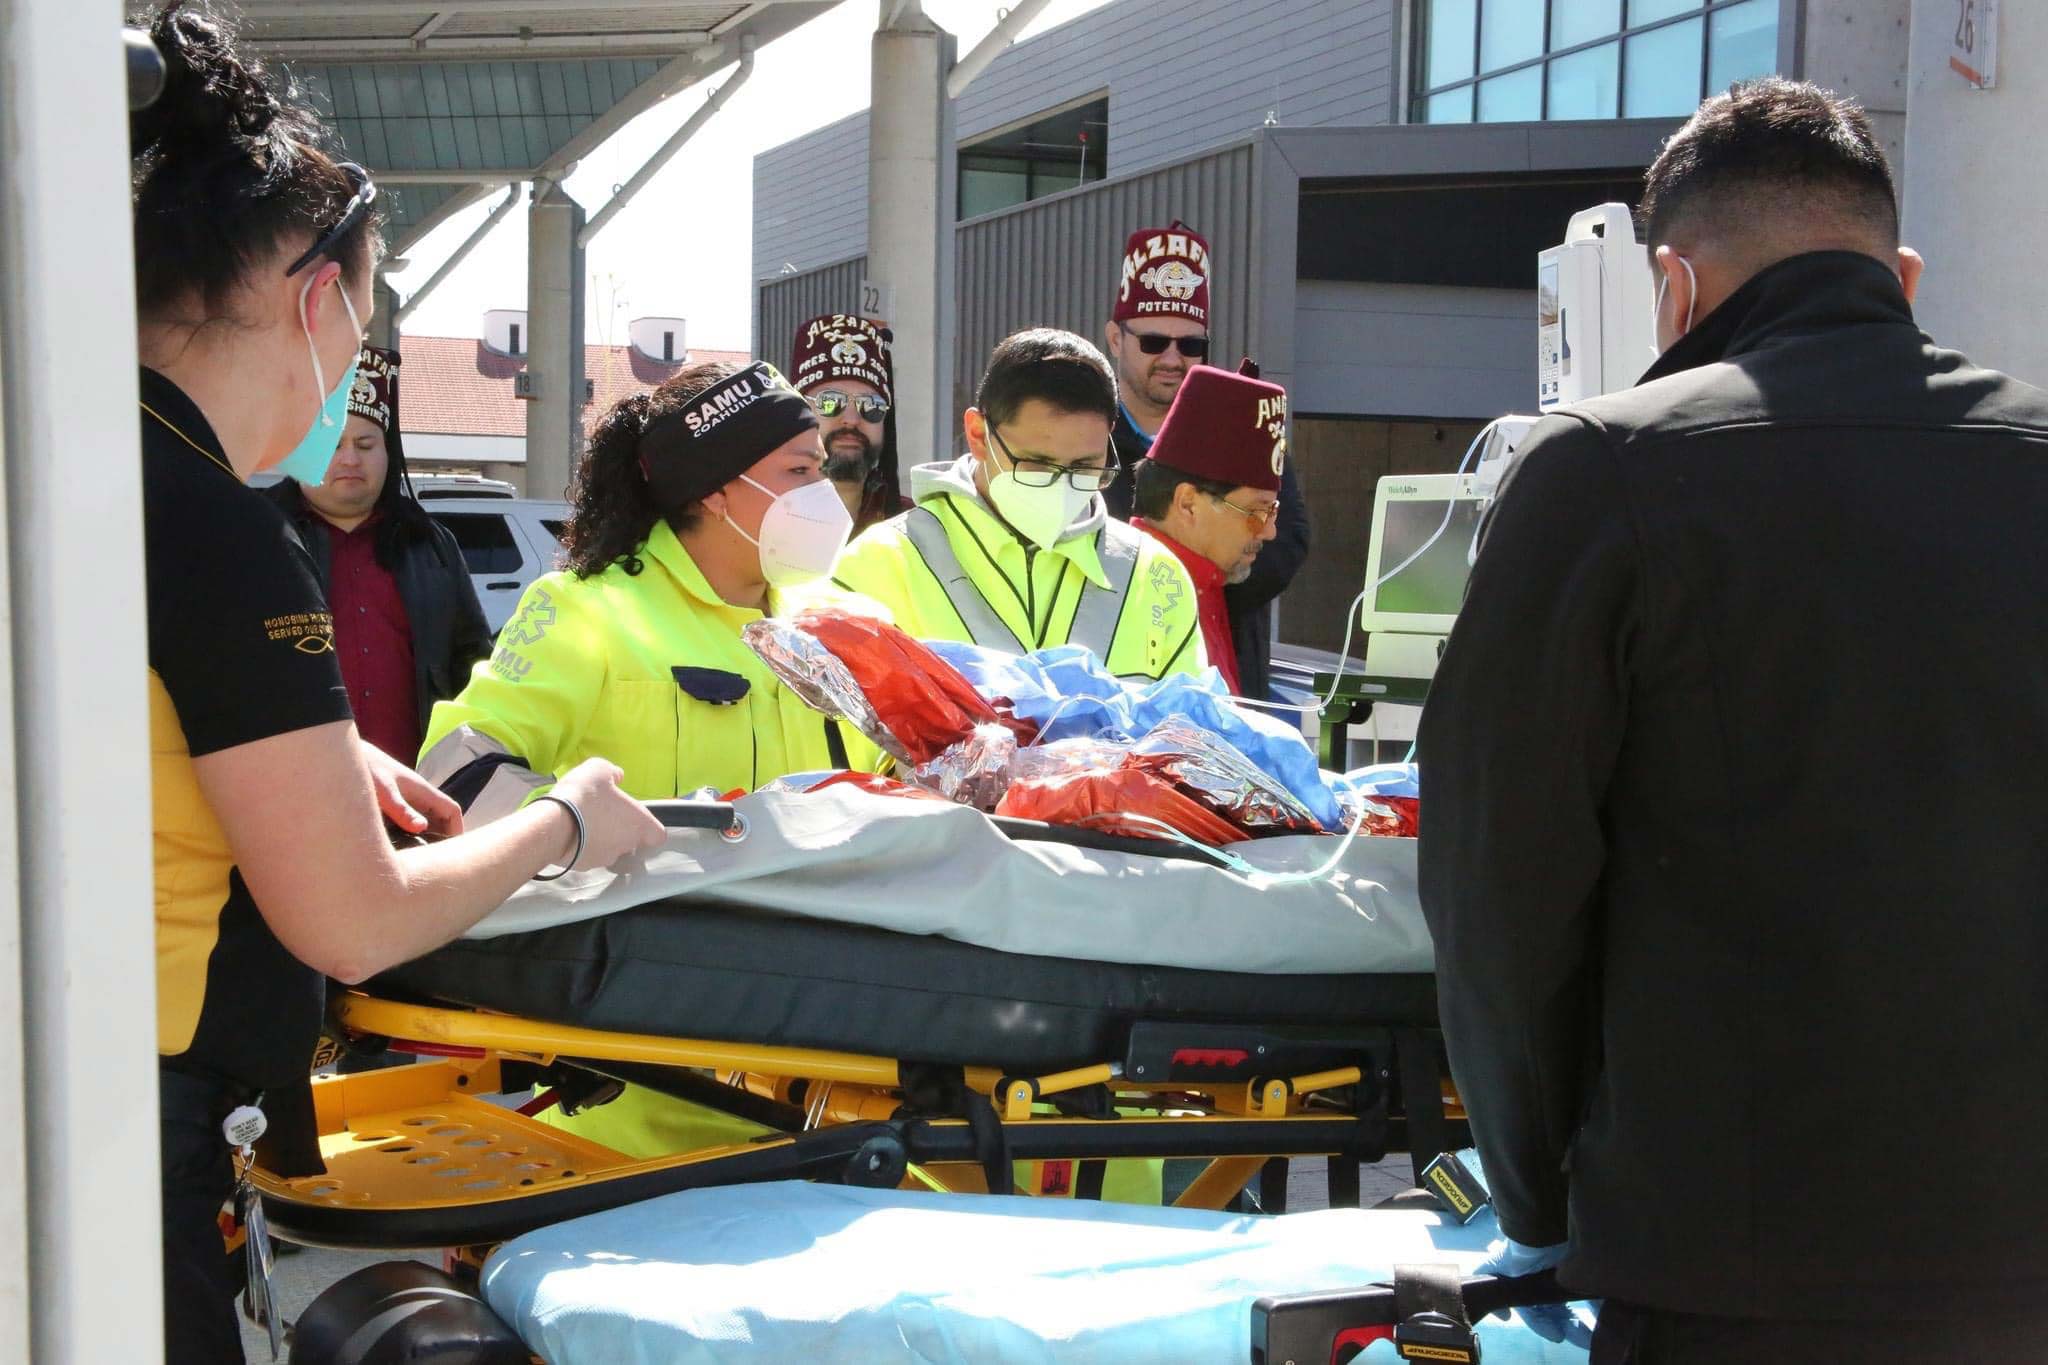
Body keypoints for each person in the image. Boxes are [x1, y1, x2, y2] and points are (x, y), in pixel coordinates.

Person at [1416, 77, 2048, 1363]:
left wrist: (1533, 1195)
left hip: (1726, 1260)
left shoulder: (1597, 471)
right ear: (1901, 276)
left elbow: (1499, 885)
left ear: (1671, 289)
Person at [130, 6, 662, 1359]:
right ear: (319, 299)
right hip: (139, 1141)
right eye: (361, 323)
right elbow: (355, 920)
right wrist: (568, 823)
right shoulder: (212, 522)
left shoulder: (81, 459)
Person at [419, 358, 872, 1156]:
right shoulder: (589, 612)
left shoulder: (842, 622)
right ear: (713, 489)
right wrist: (568, 829)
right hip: (640, 1090)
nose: (821, 494)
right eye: (798, 472)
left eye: (823, 471)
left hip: (834, 1075)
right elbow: (453, 778)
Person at [834, 327, 1204, 680]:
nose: (1061, 487)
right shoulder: (880, 565)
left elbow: (1190, 733)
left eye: (1084, 467)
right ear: (978, 434)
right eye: (1038, 465)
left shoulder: (1155, 576)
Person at [1100, 222, 1307, 698]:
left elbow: (1287, 543)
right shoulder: (1089, 433)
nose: (1173, 358)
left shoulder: (1243, 419)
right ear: (1116, 339)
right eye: (1154, 342)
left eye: (1191, 345)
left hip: (1233, 674)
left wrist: (1201, 571)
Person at [265, 345, 492, 762]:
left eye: (366, 444)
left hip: (418, 784)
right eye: (333, 444)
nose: (350, 459)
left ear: (388, 452)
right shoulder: (258, 536)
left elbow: (473, 661)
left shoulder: (430, 544)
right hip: (291, 783)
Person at [1127, 363, 1287, 695]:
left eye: (1273, 510)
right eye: (1257, 512)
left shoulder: (1209, 581)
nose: (1269, 532)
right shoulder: (1131, 585)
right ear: (1187, 503)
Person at [790, 311, 907, 534]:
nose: (852, 420)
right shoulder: (758, 523)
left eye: (871, 405)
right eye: (830, 402)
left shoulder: (913, 528)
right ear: (799, 410)